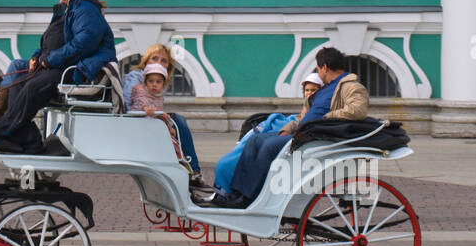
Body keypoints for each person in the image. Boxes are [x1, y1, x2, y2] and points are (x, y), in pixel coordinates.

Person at [200, 47, 370, 209]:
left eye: (318, 69)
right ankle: (238, 193)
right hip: (304, 133)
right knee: (255, 139)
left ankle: (249, 196)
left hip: (316, 138)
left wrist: (325, 120)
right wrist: (288, 127)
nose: (319, 73)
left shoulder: (350, 86)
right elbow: (304, 117)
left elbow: (358, 110)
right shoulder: (326, 89)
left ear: (324, 67)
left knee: (268, 146)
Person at [0, 0, 117, 153]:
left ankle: (1, 129)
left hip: (82, 72)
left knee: (34, 86)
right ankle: (26, 139)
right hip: (69, 66)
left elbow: (83, 45)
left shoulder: (86, 10)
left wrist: (49, 60)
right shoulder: (74, 9)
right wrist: (40, 56)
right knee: (21, 81)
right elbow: (55, 42)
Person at [202, 72, 323, 200]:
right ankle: (238, 188)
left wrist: (288, 128)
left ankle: (250, 193)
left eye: (313, 90)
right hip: (292, 127)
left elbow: (304, 122)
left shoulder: (318, 104)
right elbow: (299, 120)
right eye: (307, 90)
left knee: (266, 145)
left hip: (301, 133)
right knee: (254, 139)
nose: (309, 93)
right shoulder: (309, 104)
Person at [122, 44, 208, 191]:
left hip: (152, 120)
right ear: (146, 60)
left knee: (177, 124)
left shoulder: (159, 82)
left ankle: (189, 173)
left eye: (164, 61)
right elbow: (129, 104)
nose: (158, 63)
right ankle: (193, 172)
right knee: (178, 121)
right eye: (154, 58)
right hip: (140, 121)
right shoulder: (137, 77)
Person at [0, 0, 67, 124]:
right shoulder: (59, 13)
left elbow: (59, 47)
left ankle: (6, 117)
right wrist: (35, 57)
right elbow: (46, 44)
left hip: (53, 65)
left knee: (20, 80)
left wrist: (43, 60)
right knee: (16, 64)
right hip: (44, 59)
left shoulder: (70, 16)